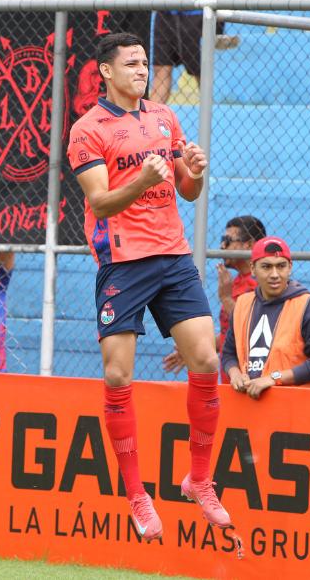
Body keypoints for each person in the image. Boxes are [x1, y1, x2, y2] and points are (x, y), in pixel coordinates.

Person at [66, 31, 243, 552]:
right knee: (118, 374)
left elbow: (185, 190)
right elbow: (100, 203)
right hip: (123, 261)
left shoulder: (164, 117)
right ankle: (137, 494)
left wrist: (197, 174)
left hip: (173, 255)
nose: (142, 70)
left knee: (206, 360)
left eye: (145, 62)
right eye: (131, 63)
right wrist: (143, 181)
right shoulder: (87, 130)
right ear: (106, 71)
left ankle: (200, 480)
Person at [221, 236, 310, 399]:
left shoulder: (309, 306)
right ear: (253, 269)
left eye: (281, 266)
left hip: (295, 406)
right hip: (249, 404)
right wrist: (235, 374)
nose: (275, 274)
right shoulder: (242, 304)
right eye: (266, 267)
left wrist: (274, 378)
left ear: (290, 267)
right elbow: (228, 353)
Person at [162, 215, 266, 379]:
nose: (222, 246)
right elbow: (228, 334)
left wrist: (226, 299)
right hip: (230, 378)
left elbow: (252, 328)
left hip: (250, 380)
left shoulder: (262, 284)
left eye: (228, 240)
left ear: (249, 244)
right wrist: (194, 351)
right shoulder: (236, 281)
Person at [150, 0, 251, 104]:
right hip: (166, 11)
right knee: (160, 69)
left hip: (198, 13)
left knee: (200, 71)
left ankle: (208, 116)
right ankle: (152, 117)